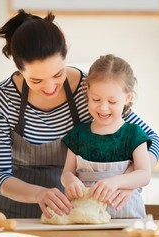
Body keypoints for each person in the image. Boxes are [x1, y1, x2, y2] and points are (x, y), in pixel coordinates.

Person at [0, 9, 159, 219]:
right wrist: (38, 193)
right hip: (10, 213)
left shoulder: (89, 90)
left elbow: (153, 141)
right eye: (36, 81)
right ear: (17, 66)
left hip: (70, 211)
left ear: (66, 50)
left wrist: (129, 182)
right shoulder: (1, 98)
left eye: (57, 74)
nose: (50, 87)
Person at [61, 54, 151, 218]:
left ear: (127, 98)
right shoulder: (78, 134)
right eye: (96, 99)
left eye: (112, 102)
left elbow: (144, 174)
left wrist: (116, 182)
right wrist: (69, 181)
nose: (103, 108)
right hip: (83, 218)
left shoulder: (134, 134)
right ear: (87, 92)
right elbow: (67, 172)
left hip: (127, 218)